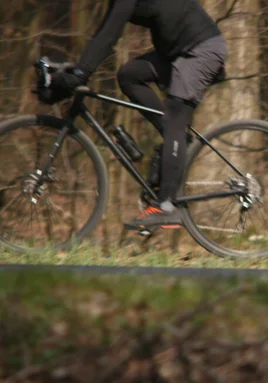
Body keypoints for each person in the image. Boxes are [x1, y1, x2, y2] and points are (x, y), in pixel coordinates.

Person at [49, 0, 228, 230]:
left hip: (200, 51)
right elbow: (102, 36)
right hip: (179, 52)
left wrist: (81, 74)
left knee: (176, 118)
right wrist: (77, 70)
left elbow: (108, 37)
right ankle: (174, 144)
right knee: (129, 74)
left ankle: (167, 208)